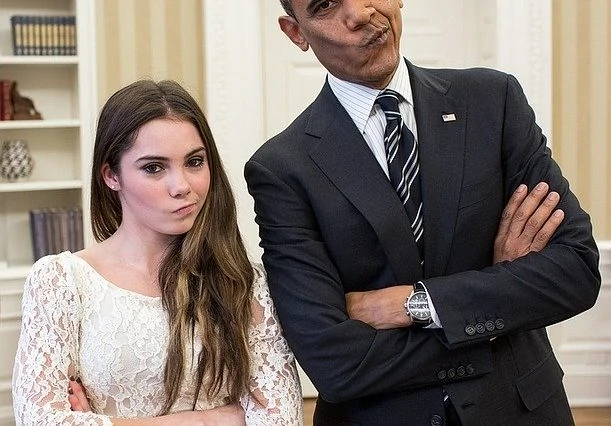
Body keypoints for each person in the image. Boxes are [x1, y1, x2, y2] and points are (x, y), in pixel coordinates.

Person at [244, 1, 601, 425]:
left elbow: (576, 270)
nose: (359, 13)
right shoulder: (282, 168)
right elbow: (335, 364)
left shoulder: (493, 101)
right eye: (325, 5)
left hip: (520, 409)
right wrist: (494, 307)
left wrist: (415, 305)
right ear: (296, 32)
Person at [12, 80, 303, 425]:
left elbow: (281, 418)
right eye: (154, 167)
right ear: (111, 176)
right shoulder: (60, 282)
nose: (182, 187)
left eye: (195, 162)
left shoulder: (243, 280)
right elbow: (40, 420)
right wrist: (218, 418)